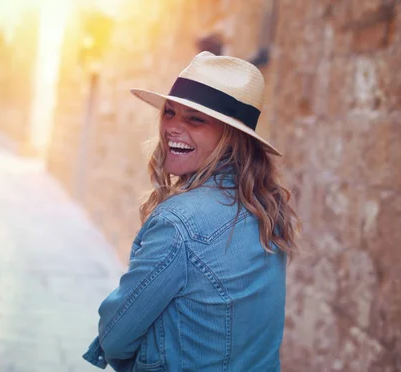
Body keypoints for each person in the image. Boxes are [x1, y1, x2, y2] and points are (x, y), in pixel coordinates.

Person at [83, 51, 301, 371]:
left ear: (231, 138)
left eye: (195, 119)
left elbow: (114, 336)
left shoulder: (178, 224)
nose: (172, 127)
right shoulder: (269, 213)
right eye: (170, 113)